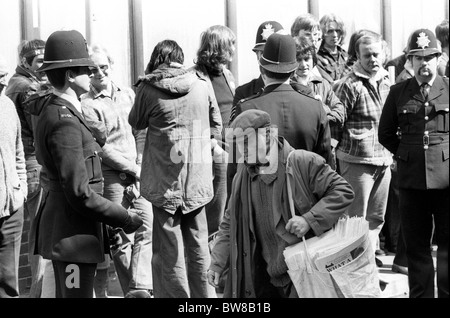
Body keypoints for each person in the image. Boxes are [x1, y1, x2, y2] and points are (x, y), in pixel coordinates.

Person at [26, 30, 143, 298]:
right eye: (85, 70)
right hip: (72, 238)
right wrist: (123, 218)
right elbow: (79, 192)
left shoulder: (61, 110)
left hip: (72, 234)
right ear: (69, 75)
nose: (91, 75)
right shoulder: (63, 120)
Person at [207, 109, 354, 298]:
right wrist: (217, 263)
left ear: (268, 136)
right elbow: (230, 221)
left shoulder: (303, 161)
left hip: (304, 275)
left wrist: (309, 220)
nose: (242, 151)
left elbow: (343, 191)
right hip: (265, 277)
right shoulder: (242, 174)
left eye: (246, 143)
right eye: (238, 145)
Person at [129, 39, 221, 298]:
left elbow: (135, 121)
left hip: (162, 181)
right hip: (197, 180)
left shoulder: (148, 88)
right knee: (199, 247)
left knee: (168, 252)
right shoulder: (202, 84)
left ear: (157, 59)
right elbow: (217, 125)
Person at [379, 28, 449, 298]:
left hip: (446, 182)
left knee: (447, 247)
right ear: (410, 61)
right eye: (418, 58)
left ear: (438, 57)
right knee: (417, 248)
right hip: (411, 181)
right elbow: (385, 133)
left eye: (429, 57)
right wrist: (406, 152)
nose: (424, 64)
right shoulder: (399, 92)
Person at [81, 45, 153, 298]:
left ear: (111, 66)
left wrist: (141, 163)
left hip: (138, 171)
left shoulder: (128, 95)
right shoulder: (86, 105)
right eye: (92, 70)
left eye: (103, 67)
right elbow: (101, 147)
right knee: (121, 237)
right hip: (112, 176)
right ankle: (133, 291)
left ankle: (138, 288)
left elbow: (141, 131)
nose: (99, 73)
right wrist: (134, 168)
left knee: (146, 227)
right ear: (86, 73)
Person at [333, 32, 392, 266]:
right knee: (353, 221)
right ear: (357, 55)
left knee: (376, 219)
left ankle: (367, 268)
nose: (373, 59)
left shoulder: (388, 81)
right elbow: (335, 125)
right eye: (367, 55)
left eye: (376, 54)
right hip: (356, 162)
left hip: (384, 161)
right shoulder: (348, 85)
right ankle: (352, 270)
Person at [233, 32, 333, 167]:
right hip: (306, 186)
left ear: (262, 69)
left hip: (262, 186)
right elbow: (326, 165)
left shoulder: (246, 108)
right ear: (293, 72)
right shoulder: (315, 108)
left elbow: (236, 168)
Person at [4, 39, 50, 298]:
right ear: (25, 61)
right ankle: (38, 293)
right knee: (40, 234)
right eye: (40, 61)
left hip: (23, 167)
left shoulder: (13, 84)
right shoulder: (28, 87)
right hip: (33, 164)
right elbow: (38, 129)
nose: (44, 66)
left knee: (33, 233)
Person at [190, 25, 236, 240]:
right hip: (214, 150)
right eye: (231, 45)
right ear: (219, 47)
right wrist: (212, 144)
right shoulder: (196, 76)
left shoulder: (226, 73)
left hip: (232, 146)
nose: (234, 50)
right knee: (216, 210)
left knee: (230, 205)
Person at [290, 35, 345, 171]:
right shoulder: (288, 85)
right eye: (298, 59)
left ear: (313, 59)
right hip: (295, 150)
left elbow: (340, 113)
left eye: (307, 59)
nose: (303, 64)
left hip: (321, 150)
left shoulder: (322, 84)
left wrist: (321, 110)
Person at [0, 55, 27, 298]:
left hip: (11, 210)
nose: (2, 79)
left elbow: (18, 151)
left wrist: (21, 188)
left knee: (9, 286)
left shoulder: (7, 105)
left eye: (3, 75)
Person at [316, 13, 348, 84]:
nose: (335, 35)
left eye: (338, 31)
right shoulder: (317, 58)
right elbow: (329, 85)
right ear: (322, 33)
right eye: (330, 31)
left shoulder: (346, 55)